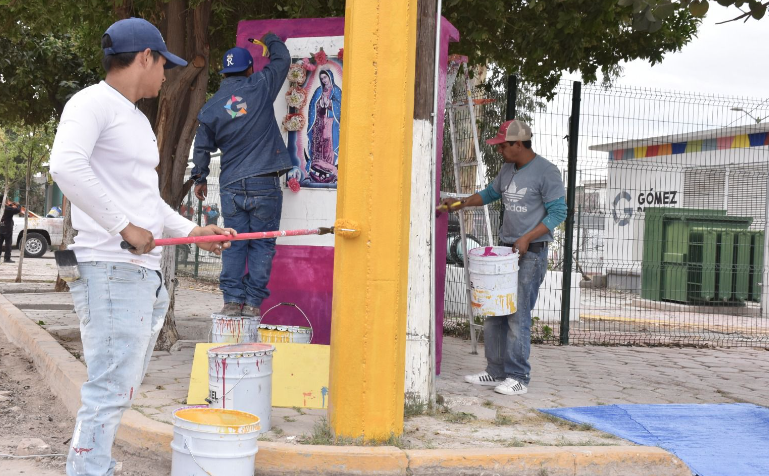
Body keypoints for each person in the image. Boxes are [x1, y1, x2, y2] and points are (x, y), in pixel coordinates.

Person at [49, 18, 236, 476]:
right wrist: (123, 227)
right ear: (145, 58)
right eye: (163, 65)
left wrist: (192, 231)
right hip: (111, 268)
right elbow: (65, 165)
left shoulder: (133, 117)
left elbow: (146, 200)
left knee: (120, 386)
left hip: (139, 272)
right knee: (110, 388)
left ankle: (97, 466)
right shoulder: (91, 103)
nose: (166, 75)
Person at [438, 119, 566, 396]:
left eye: (503, 146)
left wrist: (527, 238)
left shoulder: (547, 172)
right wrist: (458, 204)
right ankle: (495, 372)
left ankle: (519, 376)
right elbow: (490, 194)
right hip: (506, 253)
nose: (500, 151)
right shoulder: (508, 169)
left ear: (518, 144)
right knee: (494, 311)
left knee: (517, 316)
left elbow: (559, 213)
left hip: (531, 253)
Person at [191, 36, 291, 319]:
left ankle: (232, 300)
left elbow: (201, 147)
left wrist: (200, 178)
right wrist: (271, 40)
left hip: (232, 185)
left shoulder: (211, 108)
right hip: (264, 182)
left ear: (224, 73)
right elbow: (282, 60)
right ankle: (252, 304)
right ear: (249, 70)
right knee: (262, 242)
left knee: (232, 241)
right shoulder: (260, 85)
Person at [306, 69, 342, 184]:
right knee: (318, 144)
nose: (324, 80)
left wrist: (330, 104)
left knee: (328, 144)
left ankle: (329, 167)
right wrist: (319, 105)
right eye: (322, 78)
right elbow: (312, 106)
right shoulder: (318, 90)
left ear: (330, 77)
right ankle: (318, 165)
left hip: (330, 123)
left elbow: (341, 107)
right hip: (319, 122)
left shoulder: (336, 90)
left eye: (325, 77)